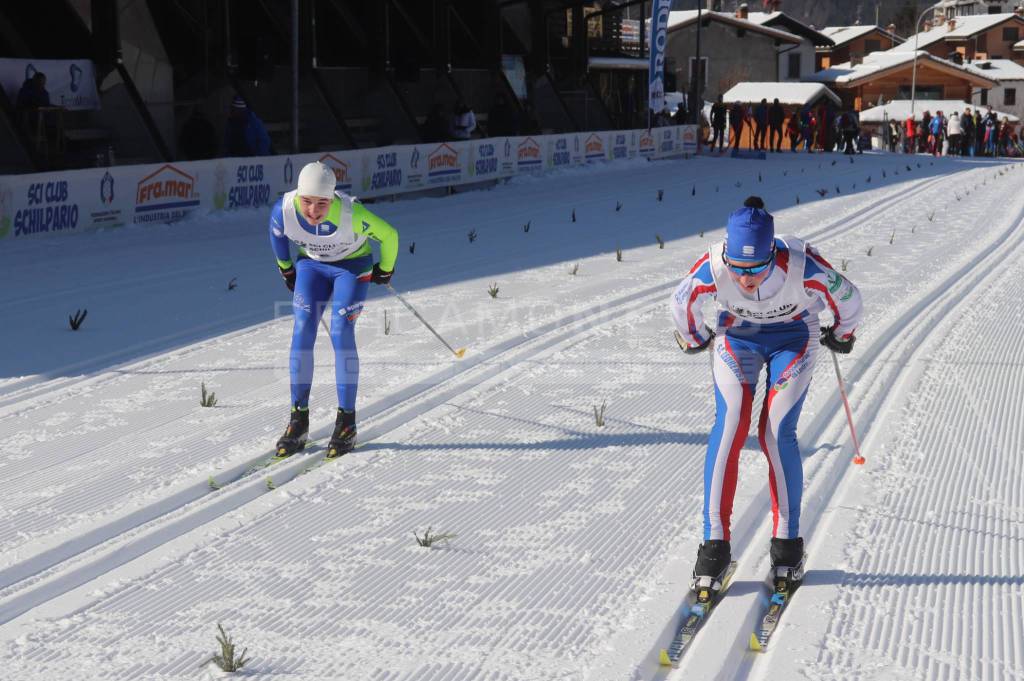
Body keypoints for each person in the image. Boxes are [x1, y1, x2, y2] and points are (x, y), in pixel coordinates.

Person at [670, 196, 863, 596]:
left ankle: (787, 545)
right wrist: (694, 336)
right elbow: (680, 301)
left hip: (793, 338)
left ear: (772, 253)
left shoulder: (801, 265)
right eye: (738, 269)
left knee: (775, 431)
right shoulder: (715, 266)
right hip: (738, 337)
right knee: (731, 424)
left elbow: (848, 297)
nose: (745, 279)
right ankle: (714, 547)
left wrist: (842, 334)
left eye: (756, 268)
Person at [268, 162, 398, 459]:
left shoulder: (352, 214)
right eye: (308, 202)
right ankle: (298, 419)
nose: (313, 210)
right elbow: (276, 234)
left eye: (322, 203)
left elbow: (389, 236)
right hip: (312, 266)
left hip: (351, 267)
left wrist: (385, 269)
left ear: (333, 199)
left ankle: (346, 423)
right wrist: (286, 267)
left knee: (340, 331)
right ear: (298, 196)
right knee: (302, 329)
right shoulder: (284, 209)